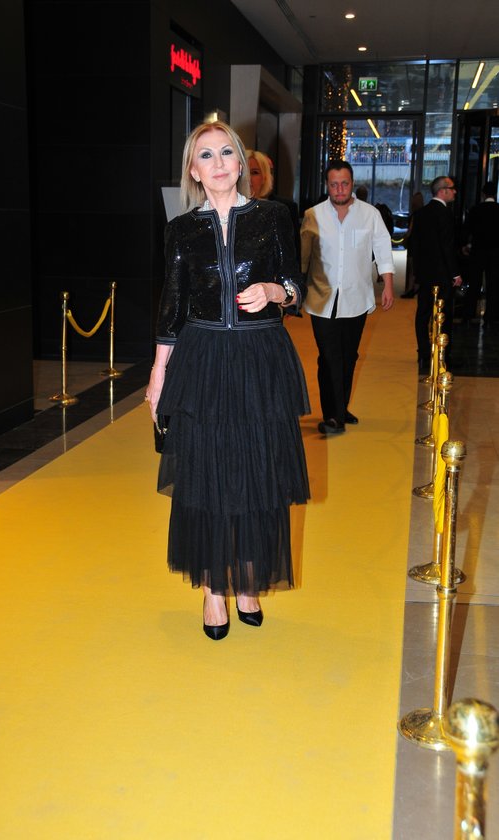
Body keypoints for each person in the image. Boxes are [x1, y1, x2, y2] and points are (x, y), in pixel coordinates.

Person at [146, 121, 310, 641]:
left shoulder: (273, 217)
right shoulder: (181, 230)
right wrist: (158, 375)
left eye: (225, 153)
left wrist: (275, 291)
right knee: (207, 472)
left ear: (242, 163)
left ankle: (249, 579)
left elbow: (296, 285)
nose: (217, 163)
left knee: (258, 471)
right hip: (203, 360)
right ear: (193, 171)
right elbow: (172, 307)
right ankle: (214, 589)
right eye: (205, 156)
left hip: (260, 358)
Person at [300, 160, 394, 435]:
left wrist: (388, 285)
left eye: (344, 183)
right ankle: (334, 417)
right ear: (327, 185)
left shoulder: (370, 214)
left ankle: (340, 407)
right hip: (321, 298)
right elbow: (303, 258)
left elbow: (383, 249)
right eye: (334, 184)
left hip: (356, 297)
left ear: (352, 183)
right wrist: (295, 292)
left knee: (348, 356)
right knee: (329, 356)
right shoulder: (313, 215)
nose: (339, 189)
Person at [409, 176, 462, 371]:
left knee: (423, 314)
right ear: (442, 191)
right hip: (443, 276)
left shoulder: (420, 214)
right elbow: (447, 247)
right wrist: (455, 274)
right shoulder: (445, 214)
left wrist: (417, 272)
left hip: (425, 275)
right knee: (443, 316)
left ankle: (424, 353)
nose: (455, 192)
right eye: (452, 188)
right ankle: (444, 356)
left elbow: (415, 246)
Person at [461, 181, 499, 326]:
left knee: (474, 283)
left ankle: (468, 314)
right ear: (495, 194)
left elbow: (467, 229)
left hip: (478, 251)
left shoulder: (475, 210)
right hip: (495, 252)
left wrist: (465, 245)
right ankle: (491, 316)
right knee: (493, 284)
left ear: (483, 194)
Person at [400, 191, 424, 298]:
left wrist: (404, 239)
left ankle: (410, 289)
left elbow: (410, 231)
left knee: (411, 268)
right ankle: (416, 287)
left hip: (413, 242)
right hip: (420, 243)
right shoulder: (424, 214)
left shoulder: (414, 215)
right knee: (417, 267)